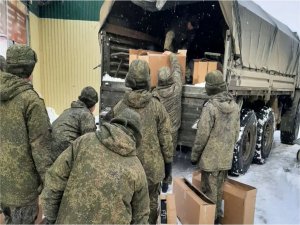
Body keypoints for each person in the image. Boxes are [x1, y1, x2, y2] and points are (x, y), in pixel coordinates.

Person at [42, 108, 150, 224]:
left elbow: (54, 179)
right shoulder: (137, 168)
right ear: (137, 135)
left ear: (114, 123)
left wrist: (52, 217)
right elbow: (141, 217)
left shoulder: (83, 142)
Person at [111, 59, 173, 224]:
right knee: (150, 210)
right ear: (147, 79)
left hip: (127, 171)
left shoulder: (119, 107)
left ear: (129, 79)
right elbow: (166, 141)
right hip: (152, 173)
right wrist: (168, 171)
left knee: (128, 208)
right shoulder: (157, 107)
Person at [0, 45, 53, 224]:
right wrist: (52, 186)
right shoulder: (31, 102)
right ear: (30, 70)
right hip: (22, 190)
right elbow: (41, 149)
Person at [191, 70, 240, 224]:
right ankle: (217, 220)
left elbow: (201, 136)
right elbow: (236, 134)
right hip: (225, 160)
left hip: (210, 162)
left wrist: (194, 156)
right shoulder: (235, 106)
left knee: (208, 195)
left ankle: (209, 221)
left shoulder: (210, 107)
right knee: (219, 193)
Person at [152, 52, 182, 193]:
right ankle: (166, 182)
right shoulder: (177, 88)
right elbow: (177, 70)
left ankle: (158, 180)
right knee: (169, 156)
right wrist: (172, 57)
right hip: (173, 130)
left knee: (158, 154)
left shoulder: (155, 94)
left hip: (159, 131)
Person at [51, 86, 98, 160]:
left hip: (50, 152)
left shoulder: (67, 111)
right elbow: (89, 142)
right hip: (65, 154)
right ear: (93, 104)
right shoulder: (86, 115)